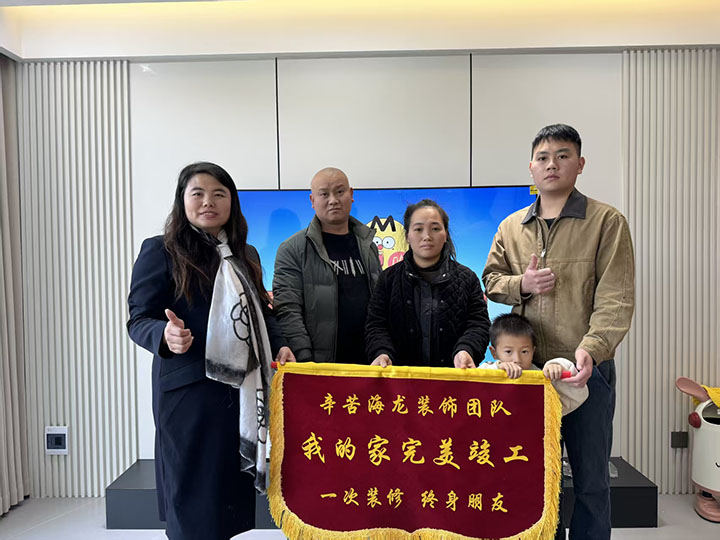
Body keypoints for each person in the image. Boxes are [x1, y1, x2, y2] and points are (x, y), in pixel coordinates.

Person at [482, 124, 635, 540]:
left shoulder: (606, 221)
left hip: (583, 371)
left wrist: (593, 348)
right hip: (527, 375)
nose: (553, 164)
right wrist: (522, 284)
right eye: (544, 158)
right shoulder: (511, 226)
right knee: (533, 480)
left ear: (580, 164)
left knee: (590, 481)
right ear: (531, 167)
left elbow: (617, 296)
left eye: (563, 156)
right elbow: (491, 280)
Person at [127, 162, 295, 540]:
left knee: (225, 499)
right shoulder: (161, 250)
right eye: (198, 193)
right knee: (192, 499)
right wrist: (164, 335)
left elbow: (261, 312)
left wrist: (281, 343)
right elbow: (138, 318)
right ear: (182, 200)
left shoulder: (244, 253)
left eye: (219, 194)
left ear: (231, 202)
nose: (209, 202)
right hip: (188, 396)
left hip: (239, 393)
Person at [273, 167, 382, 364]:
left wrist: (381, 349)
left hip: (370, 362)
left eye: (340, 192)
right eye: (324, 194)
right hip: (320, 365)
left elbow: (379, 306)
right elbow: (288, 309)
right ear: (312, 200)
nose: (333, 200)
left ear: (351, 194)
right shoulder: (292, 249)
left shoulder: (368, 246)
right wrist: (305, 359)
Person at [365, 199, 490, 368]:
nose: (427, 236)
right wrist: (381, 352)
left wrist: (467, 350)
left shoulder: (467, 278)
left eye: (435, 229)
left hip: (452, 377)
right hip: (399, 379)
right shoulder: (388, 278)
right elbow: (376, 324)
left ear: (445, 234)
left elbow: (478, 324)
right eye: (418, 229)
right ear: (407, 236)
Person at [479, 313, 588, 415]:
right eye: (508, 352)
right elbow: (473, 390)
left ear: (533, 351)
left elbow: (578, 396)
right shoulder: (487, 370)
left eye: (524, 351)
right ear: (494, 353)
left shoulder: (541, 379)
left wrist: (559, 367)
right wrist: (498, 370)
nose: (517, 359)